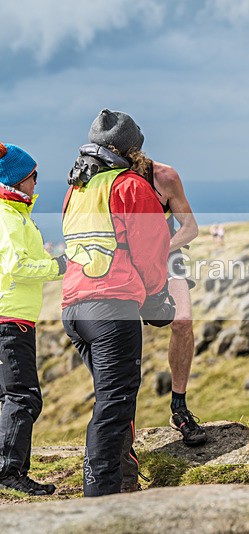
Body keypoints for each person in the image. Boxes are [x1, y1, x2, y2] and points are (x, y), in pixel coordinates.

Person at [61, 109, 174, 496]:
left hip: (74, 308)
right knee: (114, 404)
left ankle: (122, 481)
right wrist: (157, 295)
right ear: (131, 149)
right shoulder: (129, 185)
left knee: (114, 399)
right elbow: (152, 250)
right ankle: (102, 496)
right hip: (112, 308)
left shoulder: (77, 188)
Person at [0, 143, 66, 496]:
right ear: (17, 180)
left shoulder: (17, 214)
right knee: (24, 397)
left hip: (14, 316)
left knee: (8, 397)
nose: (37, 183)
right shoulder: (7, 217)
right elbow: (17, 266)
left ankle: (10, 468)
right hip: (9, 318)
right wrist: (58, 267)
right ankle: (9, 471)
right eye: (33, 177)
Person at [144, 159, 206, 446]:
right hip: (121, 263)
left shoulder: (164, 175)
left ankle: (179, 408)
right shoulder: (103, 178)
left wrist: (157, 252)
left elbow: (190, 227)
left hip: (166, 257)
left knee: (183, 322)